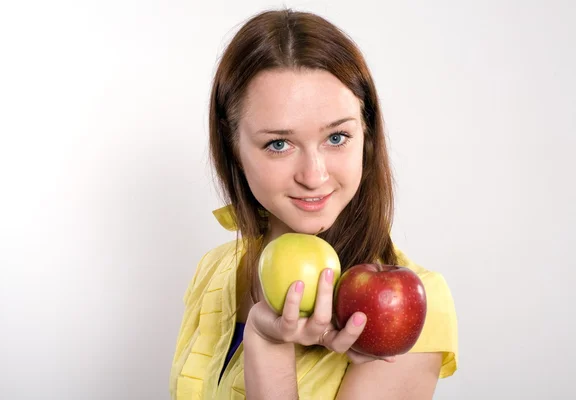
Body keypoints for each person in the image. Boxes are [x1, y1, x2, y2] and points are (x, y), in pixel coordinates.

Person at [169, 8, 458, 399]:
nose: (314, 175)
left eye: (336, 137)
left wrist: (267, 342)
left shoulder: (409, 305)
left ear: (366, 136)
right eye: (278, 144)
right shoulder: (217, 269)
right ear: (233, 148)